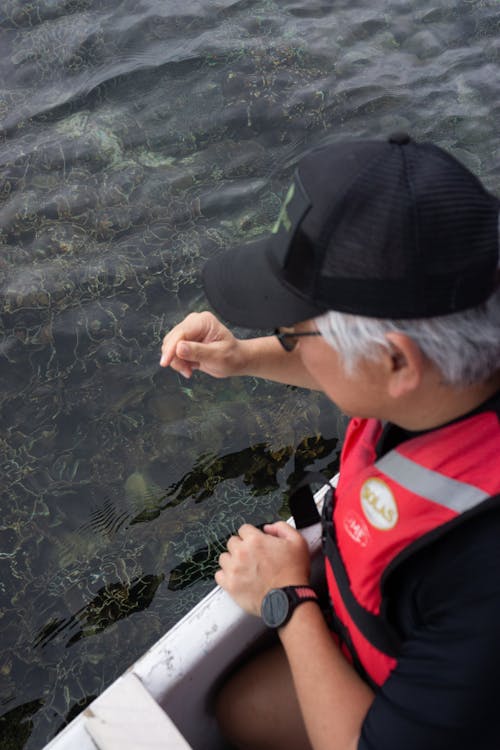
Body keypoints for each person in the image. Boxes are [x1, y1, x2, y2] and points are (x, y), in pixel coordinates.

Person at [160, 133, 500, 750]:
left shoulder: (481, 580)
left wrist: (286, 601)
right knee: (241, 708)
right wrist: (242, 357)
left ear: (397, 362)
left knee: (244, 709)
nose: (285, 343)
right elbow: (360, 371)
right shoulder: (464, 313)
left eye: (293, 334)